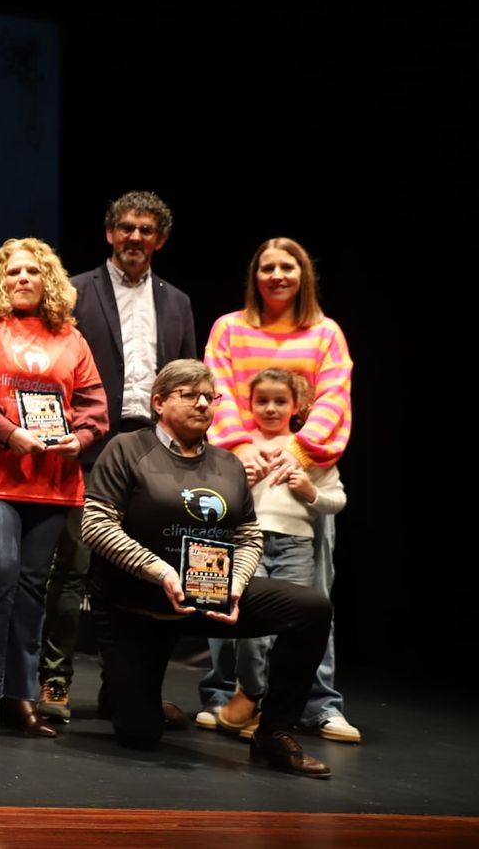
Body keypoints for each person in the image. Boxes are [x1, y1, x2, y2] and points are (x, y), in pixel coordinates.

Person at [82, 360, 334, 778]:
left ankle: (274, 731)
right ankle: (125, 692)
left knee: (310, 607)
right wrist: (160, 571)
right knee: (139, 733)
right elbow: (96, 524)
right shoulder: (127, 448)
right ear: (159, 402)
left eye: (210, 396)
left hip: (208, 593)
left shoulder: (228, 464)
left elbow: (249, 534)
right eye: (189, 395)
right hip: (138, 605)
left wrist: (236, 583)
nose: (203, 403)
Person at [38, 191, 197, 725]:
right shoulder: (76, 292)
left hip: (153, 450)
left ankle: (125, 689)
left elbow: (186, 382)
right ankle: (55, 682)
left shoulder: (177, 302)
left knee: (142, 575)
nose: (134, 237)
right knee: (76, 569)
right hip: (90, 447)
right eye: (125, 228)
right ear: (109, 233)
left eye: (145, 230)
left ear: (160, 239)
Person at [199, 237, 357, 742]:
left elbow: (335, 395)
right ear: (255, 275)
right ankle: (226, 694)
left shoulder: (325, 333)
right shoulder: (230, 328)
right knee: (226, 589)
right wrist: (243, 449)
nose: (277, 275)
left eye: (287, 266)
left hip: (299, 480)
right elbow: (216, 388)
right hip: (240, 473)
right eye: (267, 267)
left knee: (312, 599)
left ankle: (318, 704)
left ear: (302, 274)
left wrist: (299, 453)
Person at [0, 238, 107, 737]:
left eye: (33, 272)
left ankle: (20, 697)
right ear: (0, 278)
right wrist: (9, 432)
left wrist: (77, 438)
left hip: (54, 479)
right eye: (13, 271)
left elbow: (94, 404)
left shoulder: (71, 338)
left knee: (33, 588)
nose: (22, 279)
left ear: (48, 282)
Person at [215, 368, 347, 737]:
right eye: (262, 401)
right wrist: (240, 481)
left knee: (295, 625)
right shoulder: (238, 448)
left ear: (296, 406)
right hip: (248, 544)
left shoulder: (309, 451)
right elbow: (213, 495)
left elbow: (337, 499)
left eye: (280, 401)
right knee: (244, 622)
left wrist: (310, 491)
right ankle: (250, 691)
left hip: (295, 548)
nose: (270, 408)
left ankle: (277, 708)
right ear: (249, 404)